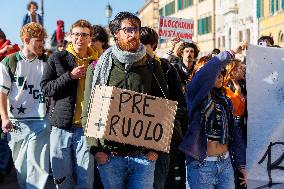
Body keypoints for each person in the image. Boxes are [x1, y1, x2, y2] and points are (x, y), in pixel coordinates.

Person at [81, 12, 168, 189]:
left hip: (143, 157)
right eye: (128, 30)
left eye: (136, 29)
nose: (133, 34)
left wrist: (155, 150)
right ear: (116, 33)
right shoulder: (98, 67)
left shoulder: (152, 65)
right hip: (110, 156)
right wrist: (96, 150)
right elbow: (88, 111)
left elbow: (163, 108)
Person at [179, 44, 247, 189]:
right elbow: (207, 73)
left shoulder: (225, 100)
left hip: (225, 163)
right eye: (215, 73)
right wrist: (230, 53)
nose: (220, 76)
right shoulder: (194, 96)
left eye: (222, 72)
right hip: (202, 165)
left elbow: (235, 132)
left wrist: (241, 165)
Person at [41, 19, 98, 189]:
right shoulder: (58, 58)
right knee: (62, 180)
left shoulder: (98, 62)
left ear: (90, 38)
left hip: (87, 129)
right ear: (70, 36)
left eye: (84, 35)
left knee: (86, 181)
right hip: (60, 127)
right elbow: (45, 88)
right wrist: (69, 76)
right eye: (76, 34)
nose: (80, 38)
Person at [0, 22, 49, 188]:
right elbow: (2, 94)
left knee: (38, 166)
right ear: (27, 40)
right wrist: (5, 118)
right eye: (38, 40)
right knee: (21, 168)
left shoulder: (46, 61)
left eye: (43, 40)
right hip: (17, 122)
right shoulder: (9, 62)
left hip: (41, 120)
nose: (42, 43)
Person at [140, 26, 188, 189]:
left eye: (143, 44)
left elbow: (180, 103)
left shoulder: (167, 68)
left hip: (164, 136)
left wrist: (166, 113)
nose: (138, 48)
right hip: (137, 138)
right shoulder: (130, 66)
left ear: (153, 45)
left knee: (162, 181)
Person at [225, 59, 247, 188]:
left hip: (239, 127)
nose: (243, 69)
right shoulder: (224, 87)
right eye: (239, 68)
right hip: (233, 128)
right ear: (232, 71)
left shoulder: (243, 84)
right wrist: (238, 92)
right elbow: (234, 108)